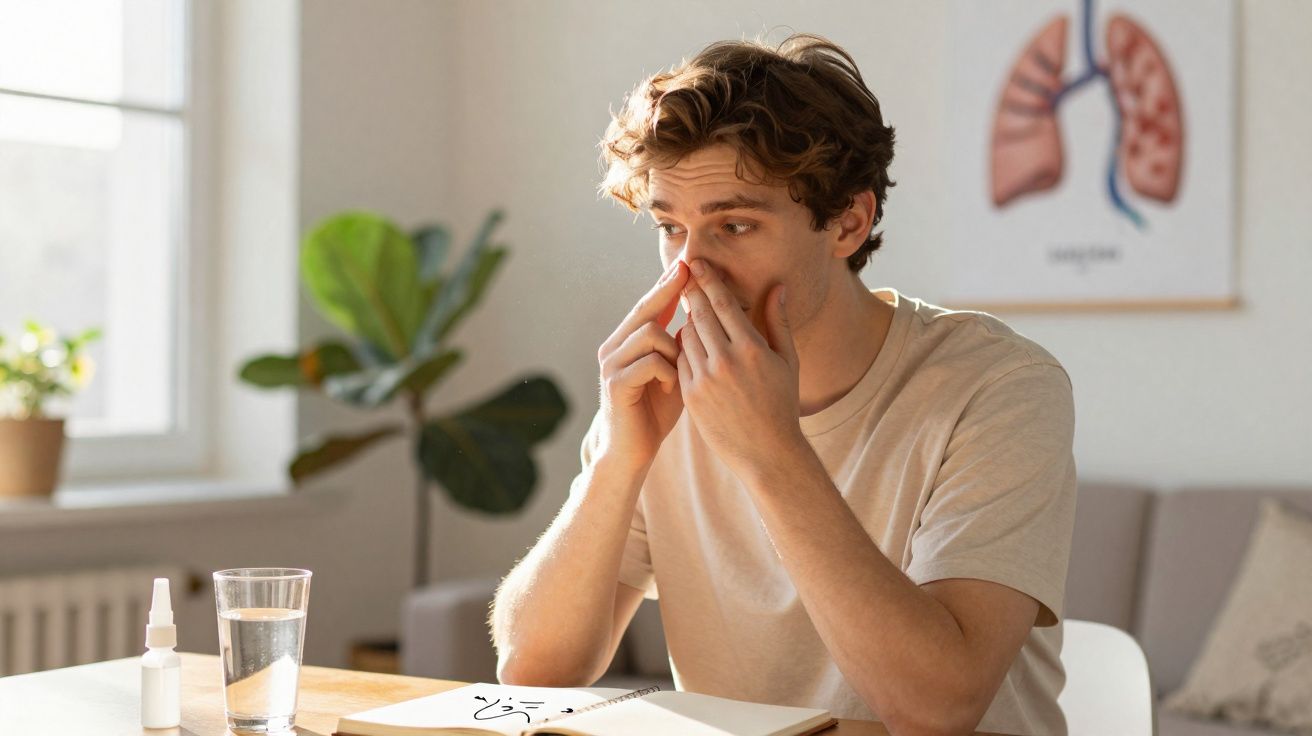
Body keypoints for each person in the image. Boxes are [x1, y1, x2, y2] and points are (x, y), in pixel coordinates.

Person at [490, 32, 1077, 736]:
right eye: (671, 228)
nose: (690, 271)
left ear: (849, 224)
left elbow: (938, 708)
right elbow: (531, 671)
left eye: (734, 225)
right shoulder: (667, 389)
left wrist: (769, 450)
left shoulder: (998, 387)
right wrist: (621, 459)